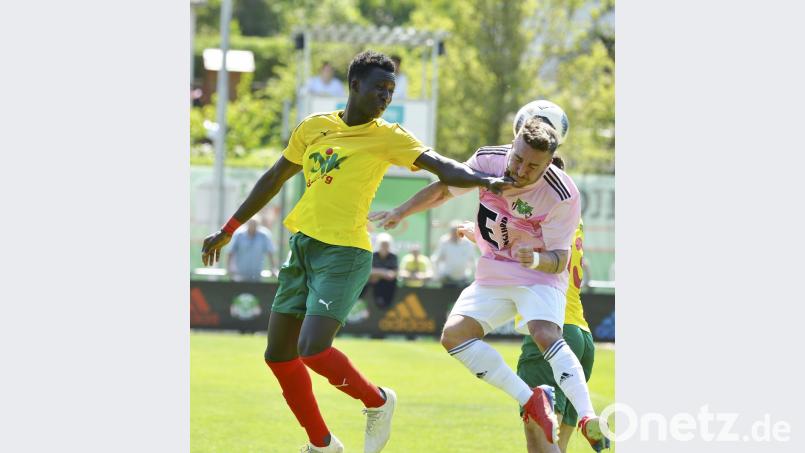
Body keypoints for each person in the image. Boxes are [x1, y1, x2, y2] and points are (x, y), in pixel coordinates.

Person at [201, 50, 515, 453]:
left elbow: (444, 168)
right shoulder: (313, 127)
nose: (385, 97)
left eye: (391, 90)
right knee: (278, 356)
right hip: (303, 248)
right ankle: (323, 445)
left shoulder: (390, 136)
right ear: (354, 85)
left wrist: (489, 180)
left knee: (312, 348)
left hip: (345, 252)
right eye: (379, 88)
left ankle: (378, 401)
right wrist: (229, 228)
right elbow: (274, 177)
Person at [368, 117, 608, 451]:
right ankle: (532, 400)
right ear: (512, 147)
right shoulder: (487, 160)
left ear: (549, 164)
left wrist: (535, 259)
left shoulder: (563, 194)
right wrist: (402, 211)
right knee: (453, 336)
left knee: (543, 333)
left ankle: (586, 417)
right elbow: (443, 189)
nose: (521, 170)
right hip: (495, 271)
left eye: (532, 167)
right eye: (518, 159)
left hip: (538, 277)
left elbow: (560, 259)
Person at [516, 154, 603, 453]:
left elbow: (513, 249)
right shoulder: (572, 220)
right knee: (559, 444)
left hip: (551, 330)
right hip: (581, 333)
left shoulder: (543, 218)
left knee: (537, 433)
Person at [431, 221, 477, 288]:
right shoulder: (444, 242)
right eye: (453, 232)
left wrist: (471, 275)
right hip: (447, 280)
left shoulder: (468, 243)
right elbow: (436, 260)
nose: (455, 234)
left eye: (457, 232)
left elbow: (473, 260)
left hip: (463, 280)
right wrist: (437, 276)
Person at [367, 233, 399, 309]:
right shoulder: (373, 255)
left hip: (388, 287)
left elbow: (392, 274)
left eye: (386, 244)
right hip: (373, 287)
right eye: (383, 244)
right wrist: (384, 272)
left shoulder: (393, 256)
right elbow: (368, 272)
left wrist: (377, 274)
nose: (384, 247)